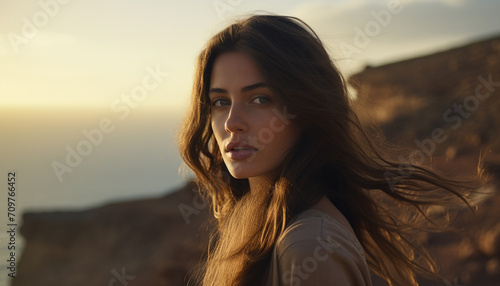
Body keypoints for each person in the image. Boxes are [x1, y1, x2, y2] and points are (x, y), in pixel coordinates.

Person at [179, 14, 485, 286]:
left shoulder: (308, 247)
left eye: (260, 99)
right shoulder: (264, 225)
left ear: (307, 110)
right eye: (220, 102)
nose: (232, 123)